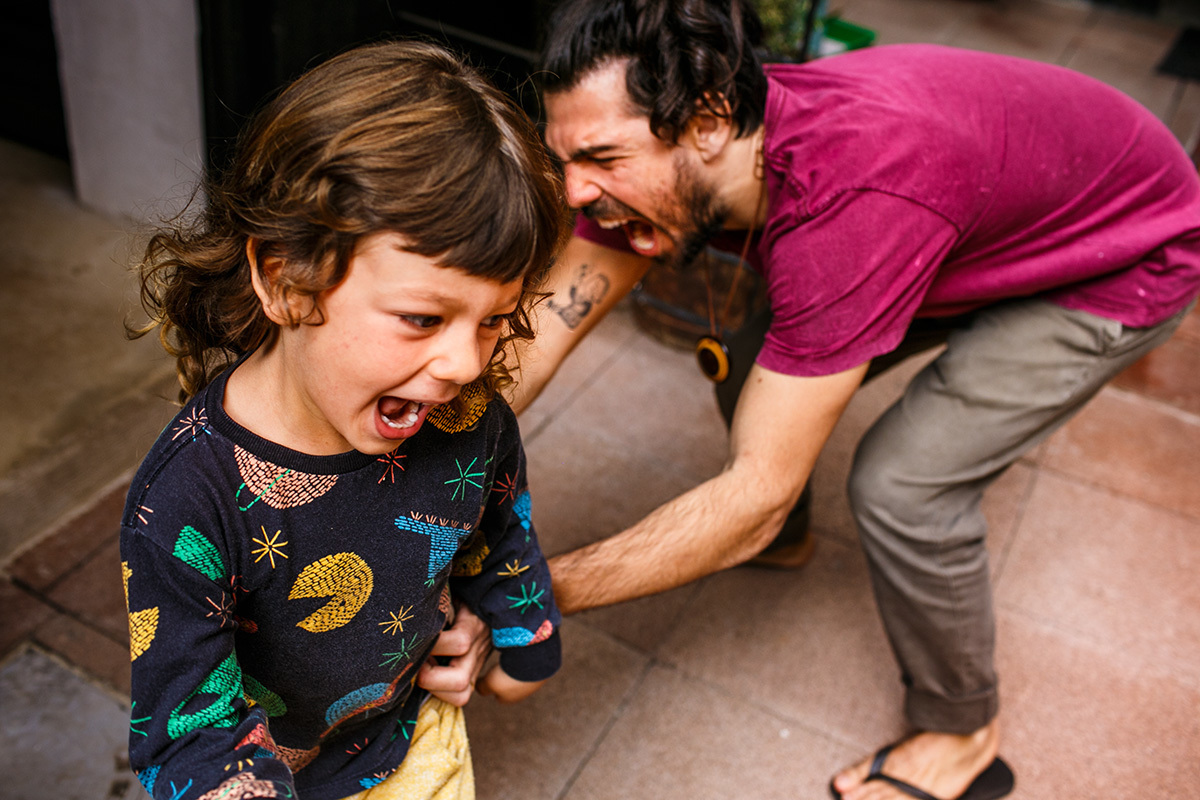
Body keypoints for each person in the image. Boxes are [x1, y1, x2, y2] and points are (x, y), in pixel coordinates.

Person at [437, 1, 1200, 799]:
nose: (574, 191)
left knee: (905, 485)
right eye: (567, 159)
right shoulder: (679, 161)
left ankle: (961, 731)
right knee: (749, 364)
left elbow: (754, 498)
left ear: (707, 122)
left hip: (1123, 253)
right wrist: (416, 434)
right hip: (979, 212)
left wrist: (527, 593)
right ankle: (778, 538)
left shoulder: (846, 207)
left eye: (600, 157)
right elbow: (547, 332)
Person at [120, 40, 568, 800]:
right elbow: (188, 728)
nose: (465, 362)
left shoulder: (466, 422)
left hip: (418, 744)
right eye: (423, 317)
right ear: (286, 278)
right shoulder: (187, 501)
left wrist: (521, 637)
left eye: (493, 319)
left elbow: (500, 528)